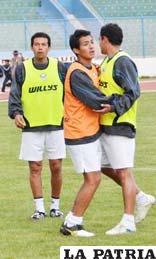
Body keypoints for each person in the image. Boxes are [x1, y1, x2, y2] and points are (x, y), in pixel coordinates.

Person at [95, 23, 155, 235]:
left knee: (124, 171)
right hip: (106, 126)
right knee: (102, 166)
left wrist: (113, 107)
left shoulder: (123, 62)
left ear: (105, 39)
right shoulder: (107, 61)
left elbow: (133, 92)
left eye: (98, 40)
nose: (97, 43)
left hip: (121, 125)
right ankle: (141, 197)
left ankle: (128, 222)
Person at [60, 29, 113, 237]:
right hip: (79, 133)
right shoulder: (77, 72)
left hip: (89, 132)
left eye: (92, 42)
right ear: (75, 49)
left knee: (95, 177)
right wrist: (122, 100)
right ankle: (72, 223)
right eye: (85, 44)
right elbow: (95, 101)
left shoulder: (92, 68)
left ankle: (73, 221)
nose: (91, 46)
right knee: (93, 179)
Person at [8, 32, 67, 220]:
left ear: (49, 47)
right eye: (36, 44)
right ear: (32, 47)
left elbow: (70, 93)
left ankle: (55, 207)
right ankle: (39, 208)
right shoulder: (22, 69)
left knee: (56, 166)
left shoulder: (59, 67)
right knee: (35, 167)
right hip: (31, 126)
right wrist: (16, 113)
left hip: (56, 125)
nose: (40, 47)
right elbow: (15, 94)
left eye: (43, 44)